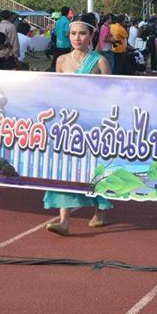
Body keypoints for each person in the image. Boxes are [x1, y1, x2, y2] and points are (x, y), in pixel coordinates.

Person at [43, 13, 112, 237]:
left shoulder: (100, 61)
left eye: (82, 33)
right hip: (67, 123)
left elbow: (111, 92)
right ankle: (64, 221)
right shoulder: (61, 61)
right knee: (64, 168)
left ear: (91, 35)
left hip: (92, 123)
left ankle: (100, 210)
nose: (77, 38)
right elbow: (56, 91)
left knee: (93, 169)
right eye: (73, 33)